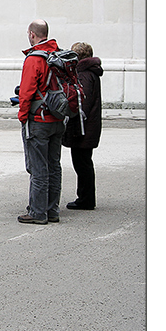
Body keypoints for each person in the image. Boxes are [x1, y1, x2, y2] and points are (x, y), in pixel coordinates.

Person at [17, 19, 65, 224]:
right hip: (58, 117)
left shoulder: (34, 59)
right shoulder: (58, 54)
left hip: (38, 119)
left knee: (38, 168)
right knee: (54, 165)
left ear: (31, 34)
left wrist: (22, 115)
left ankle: (37, 212)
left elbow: (26, 92)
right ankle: (52, 209)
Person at [63, 42, 103, 211]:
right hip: (88, 126)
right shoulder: (90, 73)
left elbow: (81, 103)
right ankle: (86, 198)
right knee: (84, 162)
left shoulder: (84, 74)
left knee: (82, 163)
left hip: (83, 128)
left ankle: (85, 199)